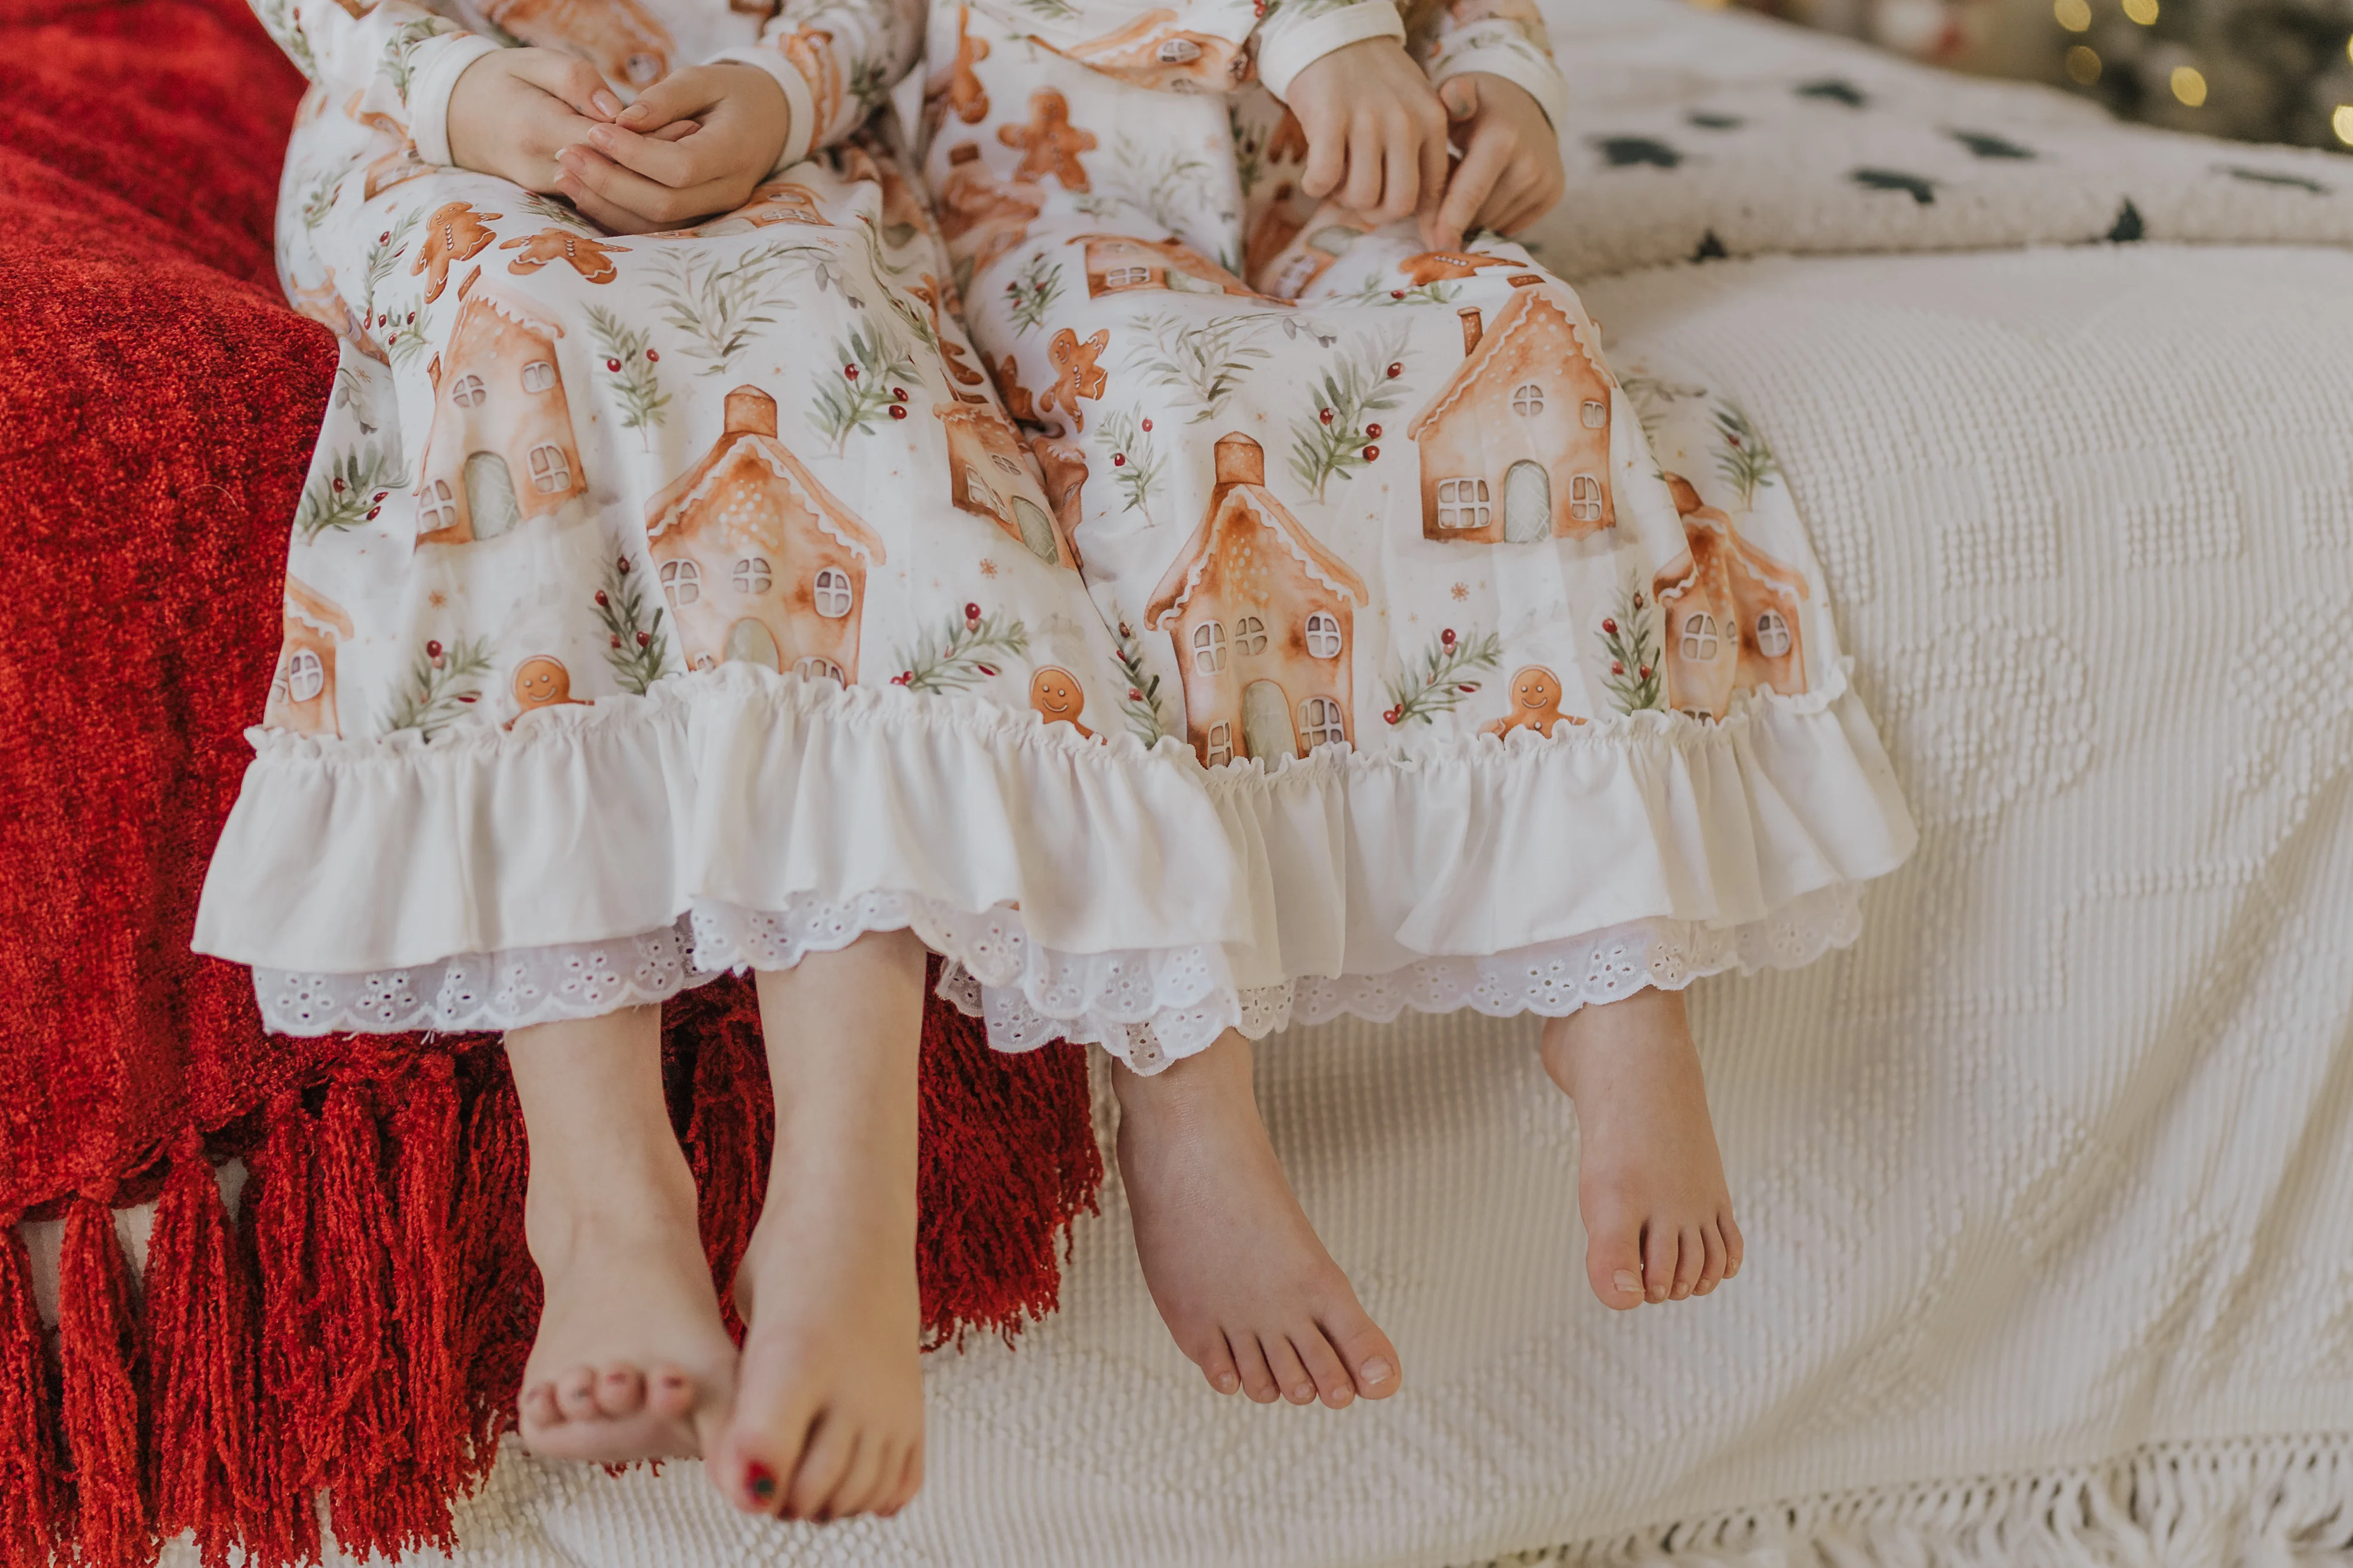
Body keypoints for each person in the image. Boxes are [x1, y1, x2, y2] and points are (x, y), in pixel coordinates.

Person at [197, 0, 1281, 1522]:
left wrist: (780, 94)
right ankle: (606, 1199)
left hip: (768, 140)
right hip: (445, 141)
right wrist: (461, 94)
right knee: (527, 331)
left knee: (840, 369)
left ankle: (844, 1203)